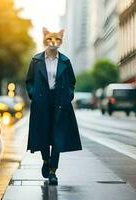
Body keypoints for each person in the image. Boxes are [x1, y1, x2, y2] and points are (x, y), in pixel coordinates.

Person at [25, 27, 82, 185]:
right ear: (44, 40)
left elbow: (72, 82)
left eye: (57, 40)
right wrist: (33, 95)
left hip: (60, 102)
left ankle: (52, 171)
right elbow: (29, 81)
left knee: (58, 136)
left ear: (61, 41)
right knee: (43, 133)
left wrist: (68, 96)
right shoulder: (36, 60)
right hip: (41, 101)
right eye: (50, 39)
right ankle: (45, 160)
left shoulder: (65, 61)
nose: (53, 42)